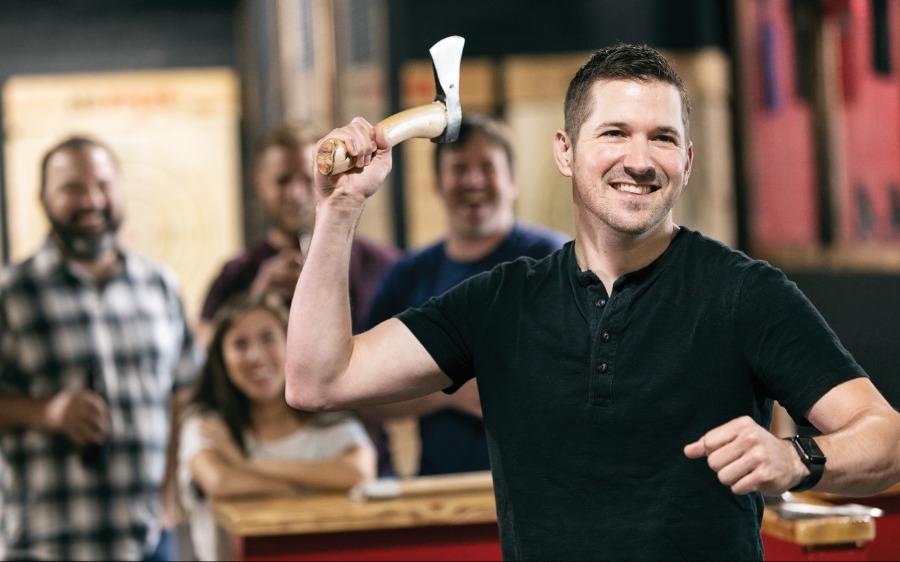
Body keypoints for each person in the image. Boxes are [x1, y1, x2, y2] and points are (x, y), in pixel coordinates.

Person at [284, 43, 900, 560]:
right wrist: (339, 209)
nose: (639, 159)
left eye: (662, 138)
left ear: (686, 161)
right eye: (614, 133)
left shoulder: (744, 293)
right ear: (565, 151)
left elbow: (886, 438)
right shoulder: (502, 302)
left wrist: (797, 457)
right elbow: (318, 379)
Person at [0, 136, 203, 560]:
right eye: (72, 188)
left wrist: (169, 495)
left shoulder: (159, 285)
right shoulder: (12, 293)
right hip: (45, 544)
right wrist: (48, 412)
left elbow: (183, 396)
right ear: (43, 199)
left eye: (104, 185)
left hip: (147, 540)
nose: (92, 200)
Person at [365, 114, 568, 476]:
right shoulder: (410, 274)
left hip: (546, 485)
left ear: (512, 183)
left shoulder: (554, 260)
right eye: (459, 168)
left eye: (487, 167)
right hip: (443, 491)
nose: (473, 180)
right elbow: (364, 391)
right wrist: (449, 393)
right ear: (437, 184)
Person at [178, 296, 375, 561]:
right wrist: (310, 489)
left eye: (268, 338)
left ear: (291, 344)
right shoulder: (205, 425)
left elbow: (358, 473)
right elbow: (221, 482)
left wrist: (245, 464)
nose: (256, 356)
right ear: (221, 359)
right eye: (240, 344)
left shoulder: (332, 422)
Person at [199, 125, 400, 342]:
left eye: (307, 178)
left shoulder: (383, 265)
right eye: (282, 181)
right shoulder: (235, 274)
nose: (295, 194)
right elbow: (202, 351)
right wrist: (256, 301)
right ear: (260, 185)